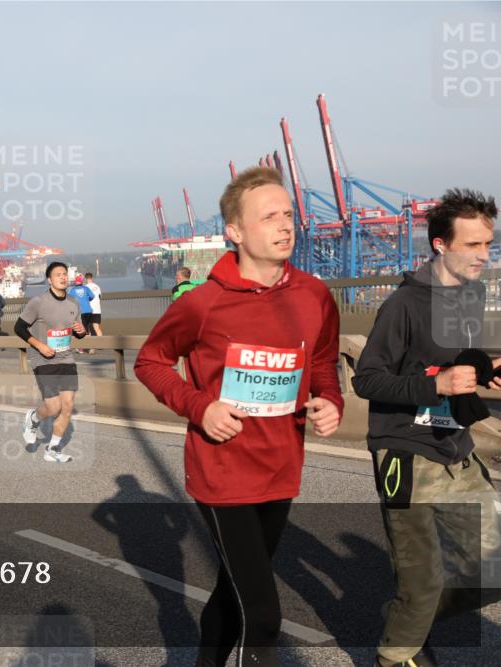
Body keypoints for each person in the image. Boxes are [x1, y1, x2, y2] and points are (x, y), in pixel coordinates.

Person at [134, 167, 343, 666]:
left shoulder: (314, 295)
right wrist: (200, 407)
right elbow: (150, 361)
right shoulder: (203, 303)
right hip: (222, 471)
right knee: (264, 615)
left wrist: (331, 399)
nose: (284, 225)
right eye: (268, 216)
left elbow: (321, 361)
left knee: (234, 593)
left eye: (288, 214)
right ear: (235, 232)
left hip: (281, 465)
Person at [352, 189, 501, 667]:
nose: (484, 255)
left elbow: (456, 361)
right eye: (472, 245)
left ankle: (407, 619)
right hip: (405, 450)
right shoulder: (403, 304)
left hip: (455, 446)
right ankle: (394, 656)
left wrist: (485, 369)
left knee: (493, 570)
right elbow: (368, 379)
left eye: (488, 244)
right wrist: (437, 384)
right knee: (424, 583)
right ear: (440, 245)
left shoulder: (469, 294)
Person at [17, 262, 88, 462]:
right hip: (43, 359)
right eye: (58, 274)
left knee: (67, 406)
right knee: (54, 407)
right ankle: (33, 419)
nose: (63, 277)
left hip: (66, 358)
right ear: (49, 280)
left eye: (65, 274)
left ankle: (53, 449)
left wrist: (82, 331)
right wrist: (39, 345)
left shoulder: (74, 302)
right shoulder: (38, 302)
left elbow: (78, 332)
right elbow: (19, 328)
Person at [67, 275, 95, 353]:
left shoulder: (72, 290)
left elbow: (69, 300)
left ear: (76, 282)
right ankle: (91, 348)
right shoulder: (86, 288)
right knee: (88, 329)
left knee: (81, 330)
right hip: (89, 311)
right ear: (82, 282)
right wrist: (86, 299)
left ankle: (81, 348)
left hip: (80, 312)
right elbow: (92, 296)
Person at [84, 272, 104, 337]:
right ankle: (102, 344)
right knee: (97, 328)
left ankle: (90, 346)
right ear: (92, 278)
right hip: (97, 310)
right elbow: (100, 297)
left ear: (85, 278)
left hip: (88, 311)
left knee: (87, 330)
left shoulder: (85, 287)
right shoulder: (97, 287)